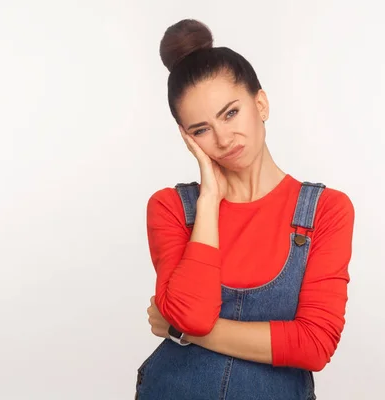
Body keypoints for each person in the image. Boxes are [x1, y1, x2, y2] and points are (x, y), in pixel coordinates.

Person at [136, 19, 355, 400]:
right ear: (187, 138)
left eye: (231, 113)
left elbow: (314, 344)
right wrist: (208, 202)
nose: (222, 138)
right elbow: (194, 313)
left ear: (261, 104)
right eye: (201, 129)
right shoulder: (171, 209)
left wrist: (180, 332)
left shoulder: (326, 210)